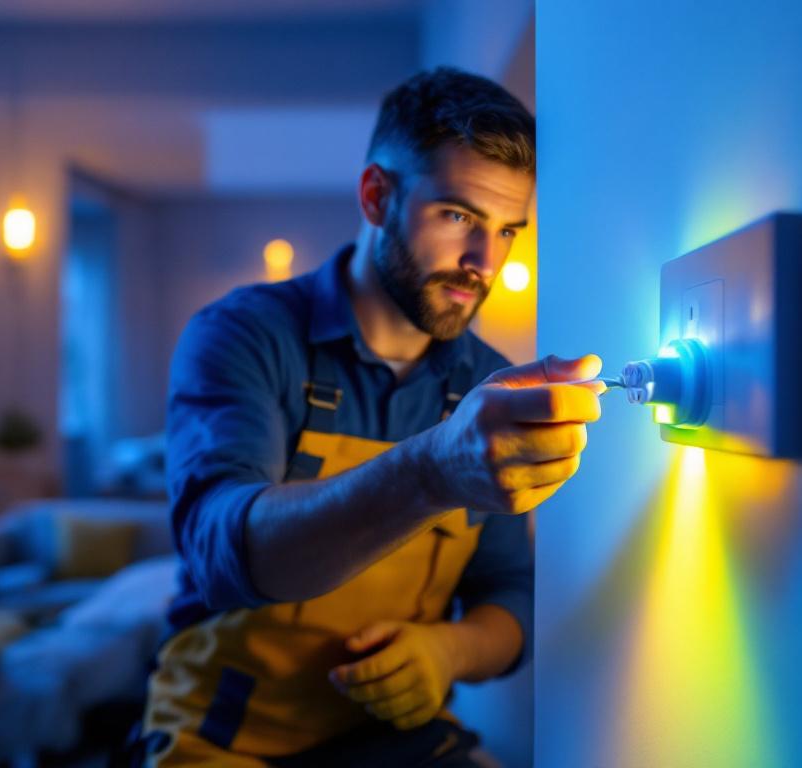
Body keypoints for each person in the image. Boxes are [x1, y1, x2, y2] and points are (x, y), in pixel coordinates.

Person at [137, 67, 603, 766]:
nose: (486, 263)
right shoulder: (244, 335)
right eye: (458, 217)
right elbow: (222, 552)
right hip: (226, 731)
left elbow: (509, 593)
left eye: (508, 231)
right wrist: (430, 471)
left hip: (392, 734)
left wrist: (451, 649)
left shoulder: (484, 382)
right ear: (377, 195)